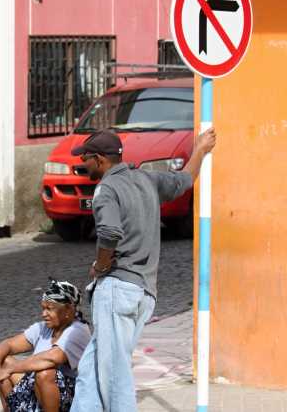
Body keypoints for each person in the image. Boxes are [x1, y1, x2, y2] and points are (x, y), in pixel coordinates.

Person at [69, 127, 217, 412]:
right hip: (143, 292)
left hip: (117, 288)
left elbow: (110, 232)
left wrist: (100, 265)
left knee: (114, 373)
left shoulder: (106, 189)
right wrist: (199, 150)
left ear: (100, 159)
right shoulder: (146, 179)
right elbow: (184, 180)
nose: (81, 163)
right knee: (91, 367)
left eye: (85, 157)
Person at [0, 279, 91, 412]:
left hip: (73, 394)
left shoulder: (78, 330)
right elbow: (8, 344)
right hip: (38, 389)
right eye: (43, 308)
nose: (44, 314)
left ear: (68, 310)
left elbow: (52, 358)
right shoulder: (44, 328)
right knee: (4, 361)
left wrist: (11, 369)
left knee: (44, 373)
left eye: (49, 309)